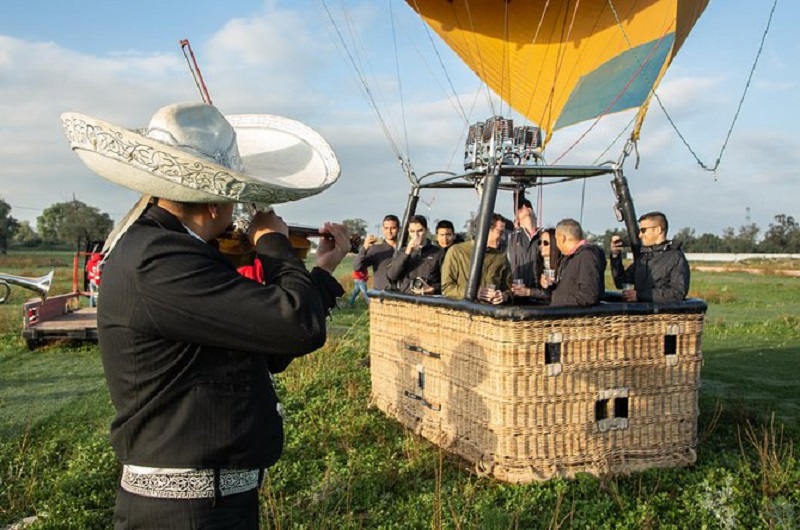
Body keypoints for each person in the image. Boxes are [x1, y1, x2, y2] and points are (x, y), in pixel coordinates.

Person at [62, 101, 349, 529]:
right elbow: (297, 326)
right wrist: (273, 243)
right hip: (188, 512)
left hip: (206, 504)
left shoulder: (173, 251)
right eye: (237, 200)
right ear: (215, 205)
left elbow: (272, 344)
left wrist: (321, 272)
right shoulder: (161, 260)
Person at [610, 211, 690, 303]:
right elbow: (621, 282)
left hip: (662, 316)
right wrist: (615, 255)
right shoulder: (643, 257)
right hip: (640, 315)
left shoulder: (675, 258)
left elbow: (677, 293)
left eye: (643, 230)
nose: (640, 235)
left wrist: (640, 296)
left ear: (658, 230)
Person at [441, 213, 511, 304]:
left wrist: (504, 296)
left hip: (492, 315)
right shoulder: (456, 252)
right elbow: (447, 288)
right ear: (485, 230)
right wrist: (473, 293)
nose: (503, 237)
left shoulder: (501, 257)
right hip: (464, 315)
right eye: (500, 233)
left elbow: (509, 289)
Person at [543, 218, 605, 307]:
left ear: (562, 238)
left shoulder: (586, 256)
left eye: (556, 239)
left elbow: (589, 295)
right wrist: (551, 286)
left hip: (577, 318)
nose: (556, 244)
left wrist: (558, 300)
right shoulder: (571, 258)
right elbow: (571, 287)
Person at [386, 214, 443, 294]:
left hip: (429, 300)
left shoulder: (438, 253)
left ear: (426, 230)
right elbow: (392, 275)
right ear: (408, 231)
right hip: (407, 299)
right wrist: (406, 253)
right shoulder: (402, 252)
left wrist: (432, 288)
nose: (416, 235)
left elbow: (446, 282)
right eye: (412, 231)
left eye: (420, 231)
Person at [507, 198, 548, 302]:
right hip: (516, 298)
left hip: (540, 298)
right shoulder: (510, 236)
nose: (525, 207)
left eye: (528, 206)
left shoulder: (546, 237)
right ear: (516, 220)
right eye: (521, 207)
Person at [353, 214, 400, 290]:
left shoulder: (405, 250)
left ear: (399, 229)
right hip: (381, 295)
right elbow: (357, 267)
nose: (389, 231)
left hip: (402, 295)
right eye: (386, 228)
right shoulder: (376, 249)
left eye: (393, 228)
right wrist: (364, 247)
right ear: (382, 229)